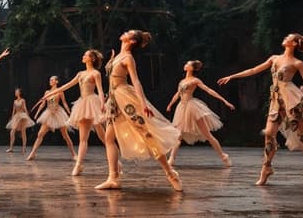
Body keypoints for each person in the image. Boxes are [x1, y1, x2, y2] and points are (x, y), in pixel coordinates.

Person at [218, 33, 303, 185]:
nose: (285, 38)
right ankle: (266, 169)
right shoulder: (274, 58)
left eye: (289, 37)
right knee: (269, 134)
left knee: (302, 136)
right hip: (276, 100)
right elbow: (253, 70)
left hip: (291, 99)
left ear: (294, 43)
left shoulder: (297, 63)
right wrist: (232, 76)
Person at [95, 30, 183, 191]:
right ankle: (113, 178)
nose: (124, 32)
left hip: (125, 98)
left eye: (128, 33)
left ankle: (170, 173)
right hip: (114, 100)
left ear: (132, 41)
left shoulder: (128, 58)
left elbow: (136, 81)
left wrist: (143, 103)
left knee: (146, 133)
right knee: (109, 138)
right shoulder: (118, 56)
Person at [40, 49, 107, 175]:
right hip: (82, 104)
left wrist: (102, 104)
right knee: (83, 138)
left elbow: (100, 90)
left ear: (92, 58)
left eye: (86, 55)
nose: (83, 56)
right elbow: (67, 85)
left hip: (92, 103)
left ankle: (115, 162)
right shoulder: (81, 73)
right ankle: (79, 165)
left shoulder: (95, 73)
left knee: (102, 136)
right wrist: (50, 94)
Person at [165, 60, 234, 167]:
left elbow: (209, 90)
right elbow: (177, 94)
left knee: (207, 135)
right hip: (182, 108)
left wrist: (224, 101)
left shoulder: (195, 80)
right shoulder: (182, 81)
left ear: (191, 68)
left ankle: (223, 156)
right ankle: (171, 159)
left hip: (192, 108)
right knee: (178, 135)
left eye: (187, 64)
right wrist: (170, 104)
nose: (185, 65)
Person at [27, 76, 77, 161]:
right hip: (48, 114)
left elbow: (64, 103)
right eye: (50, 79)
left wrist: (69, 113)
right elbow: (43, 104)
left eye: (52, 80)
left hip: (58, 113)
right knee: (40, 134)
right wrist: (37, 113)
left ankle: (74, 154)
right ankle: (32, 153)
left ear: (56, 82)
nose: (50, 81)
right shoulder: (47, 92)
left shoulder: (60, 91)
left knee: (65, 135)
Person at [5, 88, 35, 154]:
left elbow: (25, 108)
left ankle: (24, 148)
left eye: (17, 92)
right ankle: (11, 148)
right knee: (12, 131)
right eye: (15, 92)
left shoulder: (23, 100)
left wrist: (27, 116)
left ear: (19, 93)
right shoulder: (15, 101)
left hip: (22, 116)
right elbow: (13, 110)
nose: (15, 93)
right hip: (16, 116)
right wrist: (12, 117)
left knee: (23, 132)